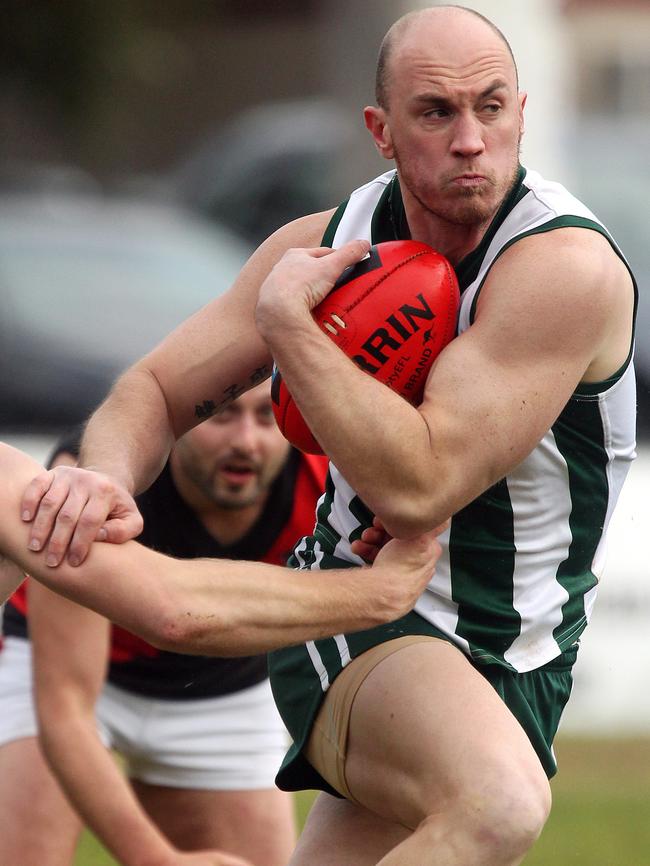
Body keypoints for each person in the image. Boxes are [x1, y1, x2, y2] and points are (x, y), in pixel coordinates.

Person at [18, 5, 637, 865]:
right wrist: (107, 476)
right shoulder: (322, 245)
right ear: (380, 132)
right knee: (496, 803)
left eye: (491, 108)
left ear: (523, 113)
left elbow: (425, 481)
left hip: (529, 646)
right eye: (436, 112)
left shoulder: (559, 268)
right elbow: (156, 388)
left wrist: (292, 331)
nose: (470, 139)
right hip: (368, 611)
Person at [0, 381, 326, 866]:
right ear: (175, 418)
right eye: (221, 415)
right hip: (70, 676)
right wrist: (156, 858)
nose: (245, 441)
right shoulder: (86, 487)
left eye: (266, 416)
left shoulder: (325, 485)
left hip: (223, 688)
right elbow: (65, 711)